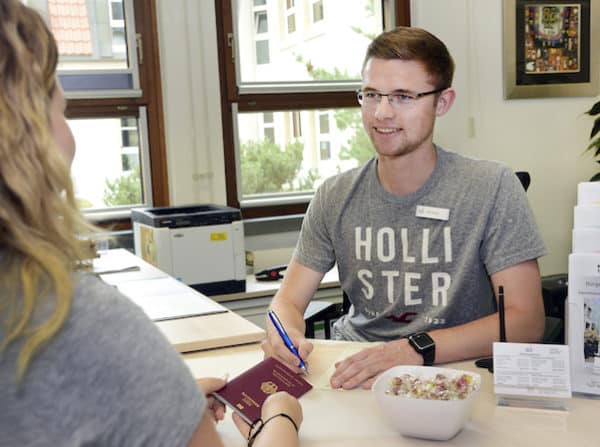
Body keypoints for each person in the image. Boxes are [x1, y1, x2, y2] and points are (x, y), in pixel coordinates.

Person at [0, 2, 301, 446]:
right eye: (60, 111)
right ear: (25, 136)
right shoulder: (75, 319)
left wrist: (160, 404)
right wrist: (280, 420)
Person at [263, 26, 547, 390]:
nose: (381, 112)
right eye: (371, 94)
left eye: (402, 97)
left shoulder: (491, 187)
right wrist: (282, 334)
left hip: (451, 377)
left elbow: (526, 322)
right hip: (351, 374)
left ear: (442, 102)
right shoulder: (334, 195)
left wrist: (413, 349)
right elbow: (286, 300)